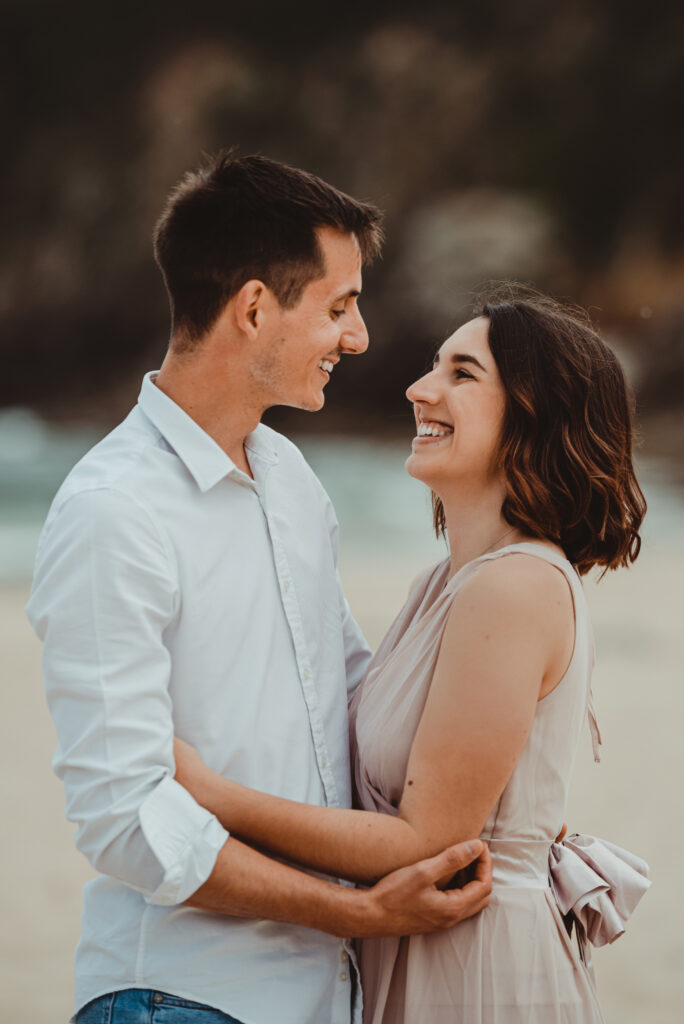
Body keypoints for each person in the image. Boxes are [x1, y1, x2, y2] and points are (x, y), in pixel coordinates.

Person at [26, 152, 492, 1024]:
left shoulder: (287, 477)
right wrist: (356, 911)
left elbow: (352, 702)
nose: (358, 338)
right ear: (252, 309)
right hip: (180, 997)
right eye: (339, 306)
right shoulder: (112, 512)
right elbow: (124, 819)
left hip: (324, 995)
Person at [172, 287, 650, 1023]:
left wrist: (213, 794)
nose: (419, 389)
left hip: (477, 966)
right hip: (426, 946)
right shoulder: (445, 585)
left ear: (534, 413)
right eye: (433, 366)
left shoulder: (517, 585)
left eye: (462, 374)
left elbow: (430, 838)